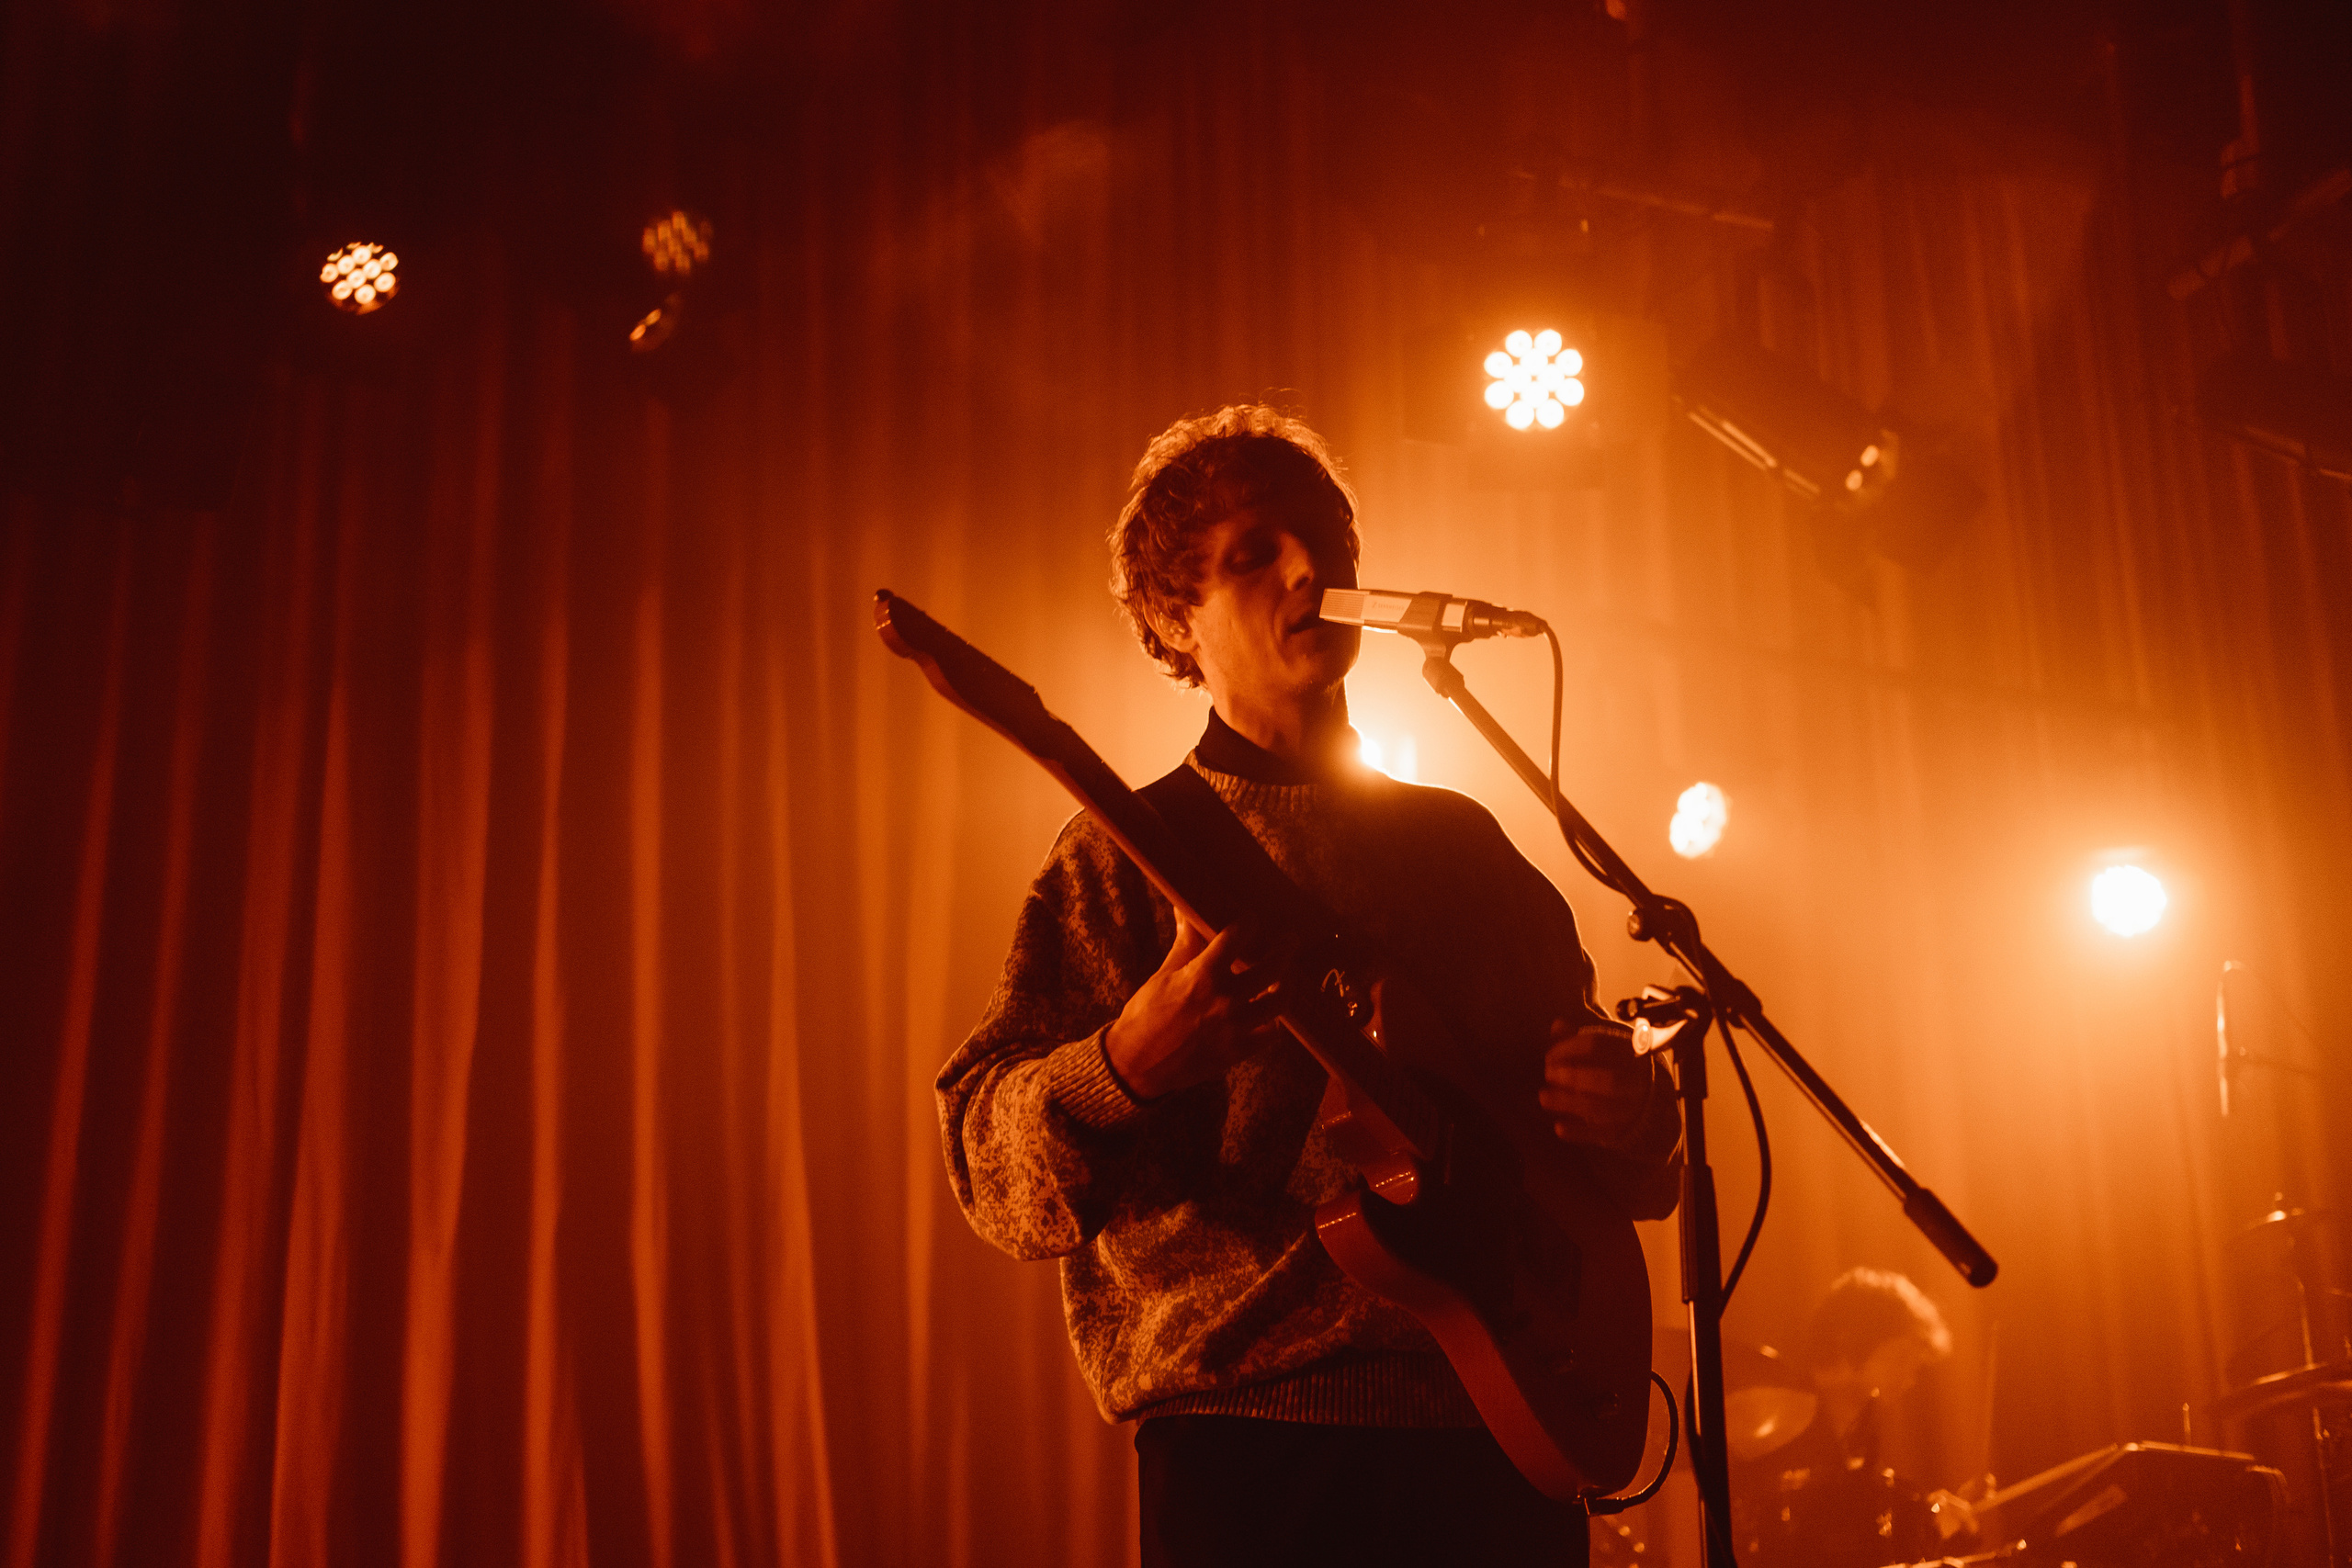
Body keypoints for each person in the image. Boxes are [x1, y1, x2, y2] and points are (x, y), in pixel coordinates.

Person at [935, 404, 1682, 1567]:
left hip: (1505, 1423)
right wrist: (1124, 1062)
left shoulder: (1465, 847)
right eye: (1252, 556)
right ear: (1172, 622)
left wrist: (1631, 1116)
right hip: (1253, 1445)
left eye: (1325, 546)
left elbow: (1593, 1150)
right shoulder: (1117, 855)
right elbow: (989, 1175)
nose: (1308, 571)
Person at [1726, 1267, 1976, 1568]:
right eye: (1901, 1354)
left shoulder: (1861, 1432)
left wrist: (1926, 1512)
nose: (1911, 1374)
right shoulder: (1776, 1417)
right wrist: (1922, 1520)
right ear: (1850, 1342)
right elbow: (1818, 1534)